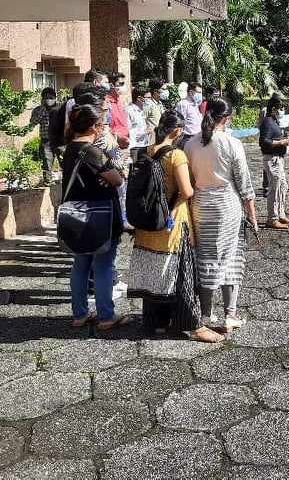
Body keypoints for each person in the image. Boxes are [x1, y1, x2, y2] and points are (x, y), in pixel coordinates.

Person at [128, 111, 224, 343]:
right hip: (173, 224)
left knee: (155, 274)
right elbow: (187, 191)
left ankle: (157, 322)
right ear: (178, 131)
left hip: (149, 225)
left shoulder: (144, 152)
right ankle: (191, 325)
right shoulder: (176, 155)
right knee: (182, 276)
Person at [185, 97, 256, 332]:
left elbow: (191, 181)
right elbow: (245, 185)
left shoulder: (190, 144)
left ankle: (206, 314)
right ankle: (230, 314)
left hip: (201, 205)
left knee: (205, 258)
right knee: (232, 257)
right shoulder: (231, 143)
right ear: (226, 118)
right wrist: (252, 215)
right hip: (227, 206)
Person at [62, 103, 131, 331]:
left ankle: (80, 314)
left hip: (77, 215)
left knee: (80, 264)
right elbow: (117, 179)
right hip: (100, 215)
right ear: (94, 126)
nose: (103, 127)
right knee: (103, 265)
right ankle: (105, 315)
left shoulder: (70, 148)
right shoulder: (90, 150)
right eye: (101, 123)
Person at [259, 93, 289, 229]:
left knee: (282, 186)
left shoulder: (274, 121)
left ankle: (280, 213)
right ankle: (272, 218)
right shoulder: (267, 121)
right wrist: (281, 142)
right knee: (274, 188)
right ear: (273, 109)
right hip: (272, 159)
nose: (282, 111)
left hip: (279, 159)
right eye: (280, 108)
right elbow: (264, 142)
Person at [29, 87, 61, 184]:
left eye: (51, 97)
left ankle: (68, 180)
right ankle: (48, 182)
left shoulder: (60, 108)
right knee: (47, 163)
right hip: (46, 141)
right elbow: (33, 122)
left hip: (59, 140)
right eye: (46, 98)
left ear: (55, 98)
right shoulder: (38, 110)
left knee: (65, 161)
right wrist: (42, 110)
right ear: (42, 99)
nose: (49, 100)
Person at [125, 86, 151, 162]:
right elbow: (127, 131)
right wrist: (144, 132)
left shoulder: (142, 110)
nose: (149, 100)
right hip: (134, 147)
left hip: (144, 145)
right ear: (139, 98)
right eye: (147, 98)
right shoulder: (129, 111)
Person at [106, 72, 130, 151]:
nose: (123, 86)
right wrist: (118, 137)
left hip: (125, 145)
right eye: (121, 83)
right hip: (113, 146)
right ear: (111, 85)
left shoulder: (118, 100)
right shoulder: (107, 103)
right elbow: (105, 126)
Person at [175, 82, 203, 149]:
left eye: (201, 93)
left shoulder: (195, 104)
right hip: (187, 138)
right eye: (198, 92)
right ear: (191, 92)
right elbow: (180, 122)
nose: (200, 95)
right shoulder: (183, 104)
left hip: (197, 137)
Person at [143, 79, 169, 145]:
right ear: (155, 91)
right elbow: (140, 120)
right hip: (151, 142)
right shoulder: (148, 104)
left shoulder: (159, 103)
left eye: (166, 89)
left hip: (160, 140)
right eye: (163, 89)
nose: (166, 91)